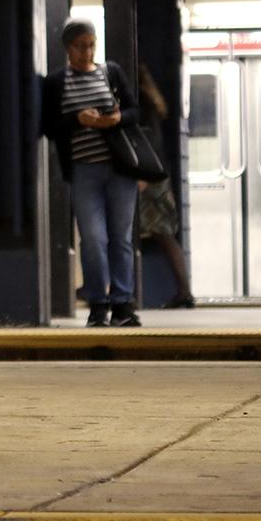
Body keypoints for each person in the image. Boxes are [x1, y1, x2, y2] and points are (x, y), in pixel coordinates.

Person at [41, 18, 142, 327]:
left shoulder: (110, 73)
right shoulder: (57, 82)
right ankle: (98, 302)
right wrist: (78, 119)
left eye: (91, 45)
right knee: (93, 238)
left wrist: (116, 119)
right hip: (84, 170)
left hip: (120, 169)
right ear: (68, 48)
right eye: (80, 46)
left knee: (121, 238)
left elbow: (136, 111)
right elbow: (48, 125)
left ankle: (122, 303)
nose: (87, 52)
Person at [136, 63, 194, 309]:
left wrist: (143, 175)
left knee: (158, 234)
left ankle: (183, 291)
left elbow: (147, 141)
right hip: (158, 175)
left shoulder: (139, 100)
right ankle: (183, 290)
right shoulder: (151, 99)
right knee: (164, 234)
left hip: (148, 177)